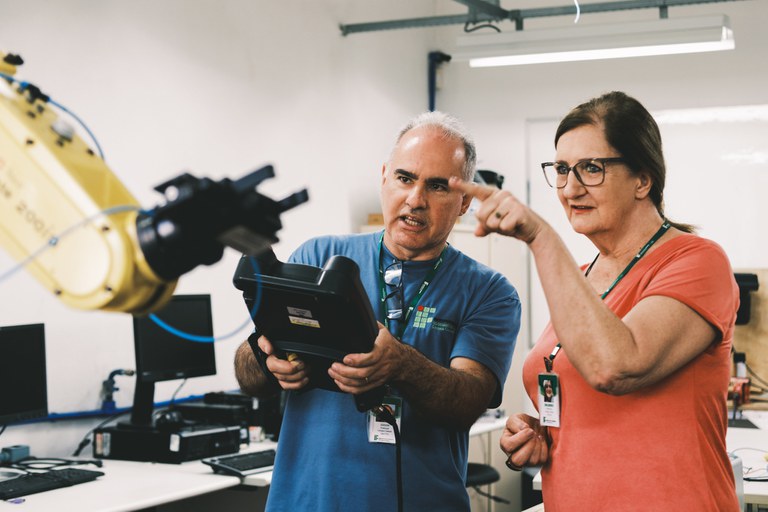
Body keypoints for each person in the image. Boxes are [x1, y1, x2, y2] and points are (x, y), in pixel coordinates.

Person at [451, 91, 740, 511]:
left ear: (643, 179)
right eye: (563, 169)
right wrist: (540, 434)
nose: (570, 188)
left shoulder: (698, 261)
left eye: (591, 168)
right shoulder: (584, 277)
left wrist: (540, 235)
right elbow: (590, 405)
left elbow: (616, 366)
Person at [234, 111, 521, 512]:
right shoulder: (319, 257)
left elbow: (469, 402)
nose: (415, 200)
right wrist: (270, 361)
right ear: (384, 176)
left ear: (465, 203)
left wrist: (401, 365)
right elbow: (247, 373)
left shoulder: (489, 291)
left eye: (438, 186)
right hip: (305, 502)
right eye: (405, 178)